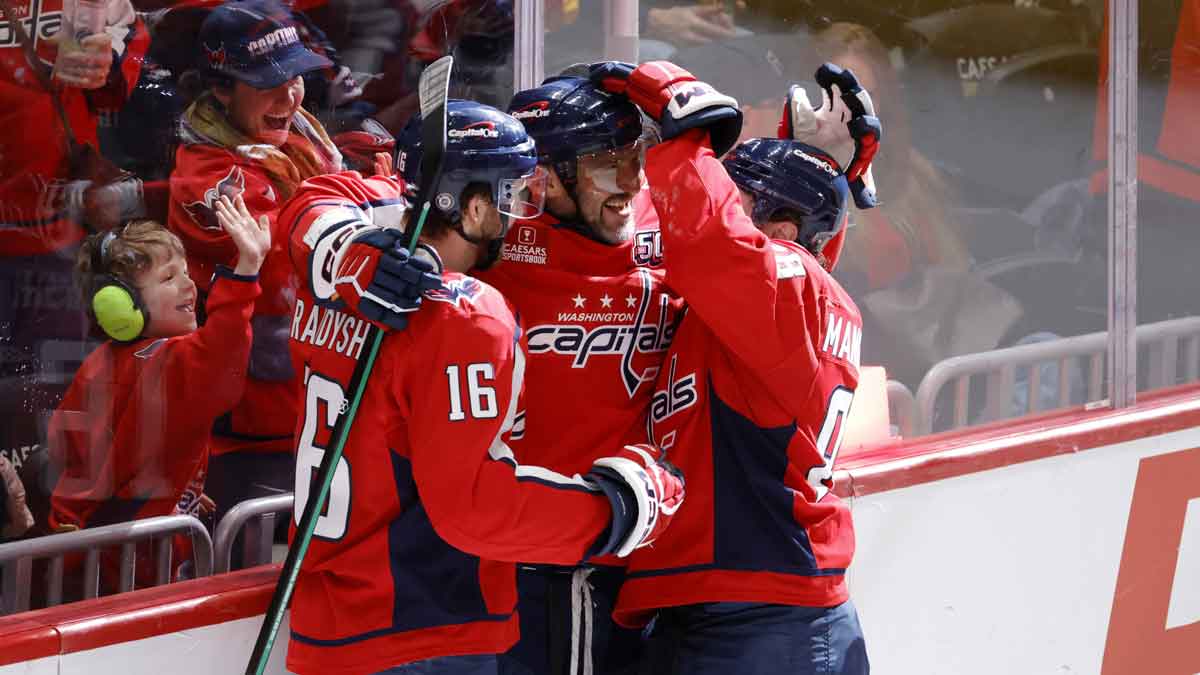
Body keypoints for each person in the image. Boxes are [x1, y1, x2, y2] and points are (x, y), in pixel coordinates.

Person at [280, 99, 684, 675]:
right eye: (512, 196)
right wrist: (617, 508)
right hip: (426, 621)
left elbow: (313, 200)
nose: (522, 214)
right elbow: (473, 508)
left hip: (328, 620)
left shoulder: (337, 279)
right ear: (471, 206)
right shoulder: (466, 314)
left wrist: (343, 247)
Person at [589, 60, 871, 674]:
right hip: (729, 603)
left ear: (782, 228)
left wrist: (687, 131)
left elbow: (714, 243)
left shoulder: (794, 288)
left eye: (741, 201)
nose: (722, 206)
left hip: (766, 616)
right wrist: (815, 169)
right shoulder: (772, 301)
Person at [492, 75, 684, 675]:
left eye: (636, 159)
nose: (632, 183)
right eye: (608, 164)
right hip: (546, 563)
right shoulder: (489, 246)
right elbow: (334, 207)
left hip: (651, 558)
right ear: (543, 179)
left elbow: (779, 241)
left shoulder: (661, 221)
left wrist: (834, 171)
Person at [167, 0, 343, 524]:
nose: (290, 95)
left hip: (316, 413)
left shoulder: (304, 140)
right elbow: (305, 237)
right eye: (270, 81)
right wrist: (369, 196)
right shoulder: (206, 175)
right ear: (221, 89)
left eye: (297, 78)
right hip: (251, 438)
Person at [46, 197, 270, 590]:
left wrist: (176, 490)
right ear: (118, 307)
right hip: (118, 567)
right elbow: (220, 359)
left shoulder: (107, 362)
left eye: (185, 273)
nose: (188, 285)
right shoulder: (162, 359)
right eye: (168, 278)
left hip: (93, 552)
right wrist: (245, 272)